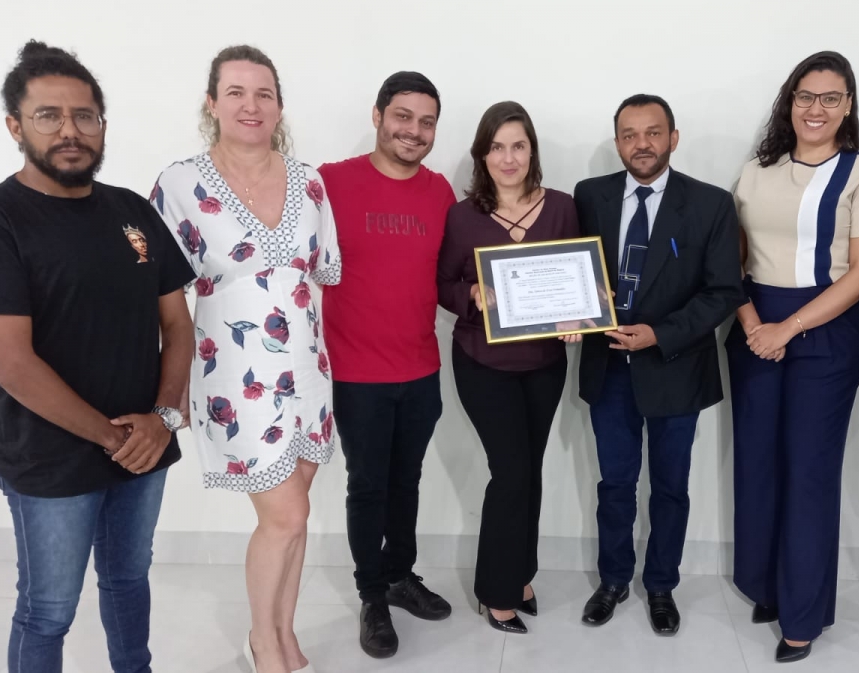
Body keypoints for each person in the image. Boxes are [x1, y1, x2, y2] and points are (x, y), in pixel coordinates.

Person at [0, 41, 194, 673]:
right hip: (49, 459)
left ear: (102, 124)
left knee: (128, 581)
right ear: (15, 126)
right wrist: (115, 437)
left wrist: (163, 418)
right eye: (48, 116)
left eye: (84, 115)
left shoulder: (133, 211)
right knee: (48, 610)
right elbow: (11, 364)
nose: (69, 131)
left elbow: (177, 326)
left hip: (144, 447)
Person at [149, 45, 340, 673]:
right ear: (212, 103)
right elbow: (159, 293)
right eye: (235, 92)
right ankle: (263, 641)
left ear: (279, 106)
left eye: (263, 94)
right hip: (234, 373)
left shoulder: (309, 181)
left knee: (297, 512)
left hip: (307, 367)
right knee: (285, 514)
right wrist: (167, 382)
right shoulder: (180, 184)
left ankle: (284, 630)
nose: (250, 105)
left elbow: (323, 271)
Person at [724, 51, 859, 663]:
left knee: (809, 472)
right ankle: (768, 586)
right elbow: (731, 259)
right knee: (758, 462)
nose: (815, 108)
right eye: (805, 96)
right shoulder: (756, 170)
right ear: (789, 102)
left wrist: (788, 328)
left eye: (830, 97)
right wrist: (752, 323)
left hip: (823, 329)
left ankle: (802, 616)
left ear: (848, 106)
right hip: (754, 325)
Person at [574, 94, 744, 636]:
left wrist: (659, 335)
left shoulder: (711, 203)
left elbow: (723, 291)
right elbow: (571, 269)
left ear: (673, 137)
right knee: (614, 484)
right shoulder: (589, 195)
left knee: (671, 486)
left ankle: (661, 585)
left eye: (652, 132)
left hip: (675, 366)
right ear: (617, 142)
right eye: (629, 134)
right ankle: (613, 580)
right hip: (608, 368)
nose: (641, 144)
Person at [319, 71, 457, 659]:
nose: (414, 131)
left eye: (427, 122)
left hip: (421, 368)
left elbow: (454, 276)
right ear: (378, 116)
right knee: (368, 485)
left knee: (407, 481)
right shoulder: (329, 182)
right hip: (356, 373)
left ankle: (400, 575)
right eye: (403, 116)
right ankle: (372, 595)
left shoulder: (440, 192)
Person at [437, 101, 583, 634]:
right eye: (497, 147)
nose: (508, 157)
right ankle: (496, 591)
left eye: (518, 145)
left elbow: (578, 278)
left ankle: (521, 575)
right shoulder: (462, 216)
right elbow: (443, 284)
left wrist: (579, 316)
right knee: (512, 472)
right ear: (482, 154)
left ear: (532, 151)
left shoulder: (563, 208)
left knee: (530, 470)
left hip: (544, 363)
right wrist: (471, 295)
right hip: (483, 362)